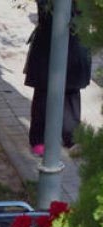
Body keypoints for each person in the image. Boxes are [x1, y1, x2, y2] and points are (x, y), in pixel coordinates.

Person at [24, 0, 92, 155]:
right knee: (44, 85)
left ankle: (71, 136)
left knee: (71, 85)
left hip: (76, 31)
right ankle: (39, 138)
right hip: (49, 31)